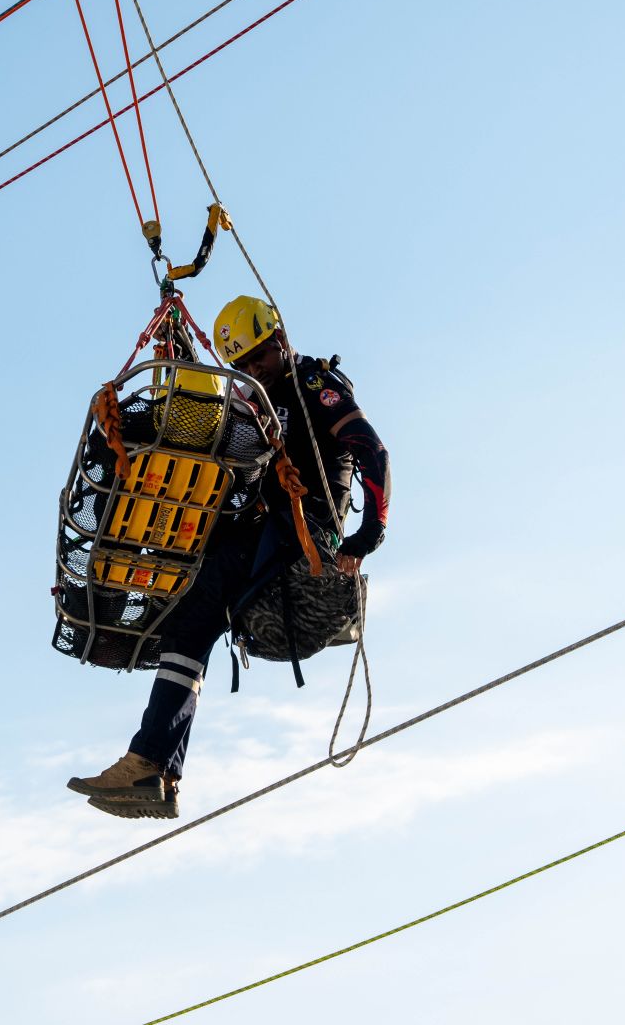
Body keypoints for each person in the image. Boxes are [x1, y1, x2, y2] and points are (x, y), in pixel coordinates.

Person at [67, 296, 391, 818]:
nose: (252, 370)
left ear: (280, 340)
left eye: (259, 357)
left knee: (195, 618)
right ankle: (155, 770)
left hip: (299, 534)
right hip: (261, 529)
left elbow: (371, 449)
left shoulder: (314, 386)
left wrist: (370, 531)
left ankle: (150, 763)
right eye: (242, 364)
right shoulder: (254, 400)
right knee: (189, 623)